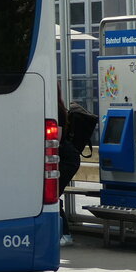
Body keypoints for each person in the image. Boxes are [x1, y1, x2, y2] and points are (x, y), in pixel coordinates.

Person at [56, 87, 81, 246]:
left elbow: (56, 138)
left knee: (52, 196)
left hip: (66, 160)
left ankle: (65, 233)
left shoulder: (56, 109)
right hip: (65, 158)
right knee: (52, 195)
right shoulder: (57, 107)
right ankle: (64, 233)